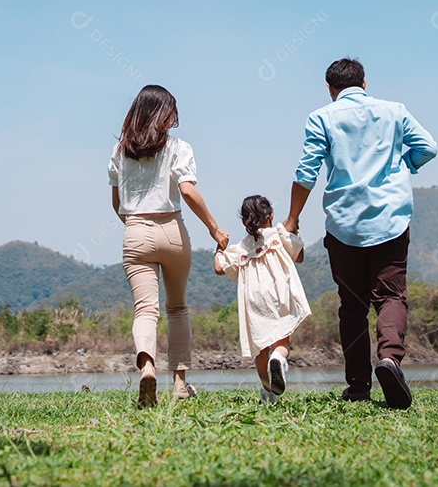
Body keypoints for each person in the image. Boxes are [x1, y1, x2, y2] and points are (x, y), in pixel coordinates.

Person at [283, 58, 437, 409]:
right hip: (390, 222)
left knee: (352, 307)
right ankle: (389, 360)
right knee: (391, 297)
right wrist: (405, 165)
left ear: (330, 89)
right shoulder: (395, 111)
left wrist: (292, 219)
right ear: (364, 83)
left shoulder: (321, 117)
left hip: (344, 227)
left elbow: (306, 173)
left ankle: (358, 387)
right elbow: (429, 147)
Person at [109, 84, 229, 408]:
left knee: (146, 309)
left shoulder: (120, 151)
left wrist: (137, 228)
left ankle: (146, 366)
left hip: (135, 230)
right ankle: (179, 383)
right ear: (165, 115)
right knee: (177, 308)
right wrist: (214, 229)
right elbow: (187, 192)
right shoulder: (180, 148)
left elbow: (117, 202)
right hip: (173, 230)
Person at [214, 195, 311, 404]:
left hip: (254, 299)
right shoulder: (279, 234)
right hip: (279, 293)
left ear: (244, 222)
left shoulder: (241, 247)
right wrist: (295, 231)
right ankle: (278, 359)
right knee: (281, 341)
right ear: (271, 215)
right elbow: (299, 256)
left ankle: (268, 391)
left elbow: (219, 268)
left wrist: (220, 249)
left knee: (260, 348)